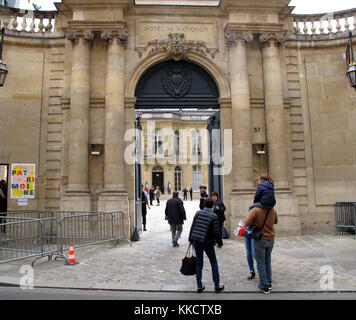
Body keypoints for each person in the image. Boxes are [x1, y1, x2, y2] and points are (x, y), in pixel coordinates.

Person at [188, 198, 224, 293]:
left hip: (196, 240)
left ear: (204, 204)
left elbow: (193, 226)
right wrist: (219, 243)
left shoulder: (198, 213)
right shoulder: (213, 216)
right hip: (207, 242)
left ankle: (199, 285)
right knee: (214, 262)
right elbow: (217, 231)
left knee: (199, 263)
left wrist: (190, 239)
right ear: (212, 205)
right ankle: (217, 284)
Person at [244, 206, 278, 294]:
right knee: (267, 260)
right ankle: (269, 282)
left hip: (260, 238)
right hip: (270, 238)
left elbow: (246, 222)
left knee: (261, 261)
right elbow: (276, 221)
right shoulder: (272, 210)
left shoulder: (255, 210)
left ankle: (265, 286)